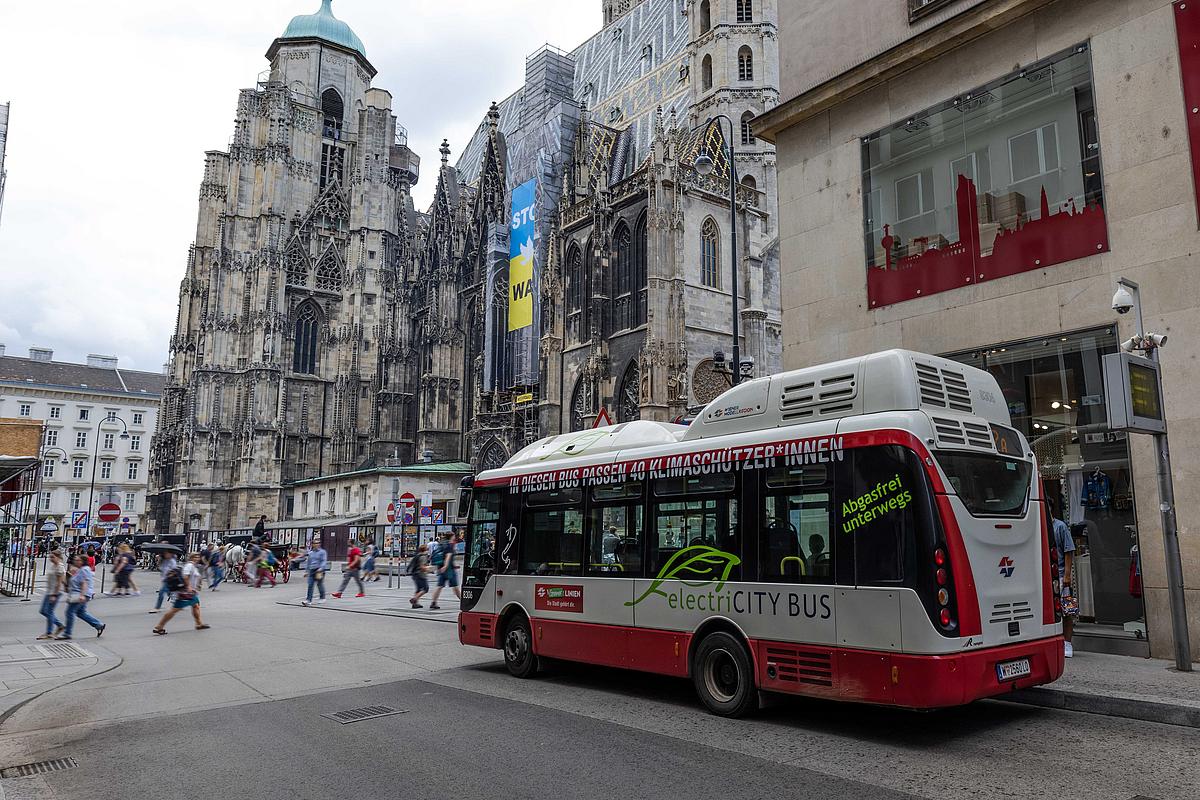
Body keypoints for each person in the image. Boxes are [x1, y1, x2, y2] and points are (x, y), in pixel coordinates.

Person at [153, 552, 209, 634]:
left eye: (198, 557)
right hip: (186, 592)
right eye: (195, 557)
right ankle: (159, 626)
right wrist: (189, 587)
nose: (197, 558)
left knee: (195, 605)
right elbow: (185, 576)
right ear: (191, 558)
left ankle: (199, 624)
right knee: (174, 609)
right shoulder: (189, 566)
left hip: (191, 592)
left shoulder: (193, 566)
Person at [1050, 503, 1078, 658]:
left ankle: (1068, 643)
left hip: (1061, 574)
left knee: (1068, 610)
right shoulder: (1040, 526)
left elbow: (1069, 550)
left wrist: (1067, 575)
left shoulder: (1060, 526)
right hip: (1047, 576)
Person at [60, 554, 105, 639]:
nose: (75, 561)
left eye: (77, 560)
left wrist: (82, 595)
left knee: (69, 612)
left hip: (80, 594)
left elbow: (84, 583)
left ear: (82, 561)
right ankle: (98, 625)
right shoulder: (83, 569)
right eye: (75, 560)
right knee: (81, 613)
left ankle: (67, 633)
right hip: (83, 594)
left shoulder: (84, 570)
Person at [37, 550, 67, 640]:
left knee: (49, 612)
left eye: (52, 557)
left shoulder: (60, 567)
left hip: (55, 592)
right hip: (50, 591)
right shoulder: (54, 565)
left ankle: (49, 632)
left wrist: (54, 594)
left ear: (58, 557)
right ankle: (59, 625)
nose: (50, 559)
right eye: (50, 557)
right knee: (43, 611)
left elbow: (59, 582)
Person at [429, 534, 460, 610]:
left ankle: (433, 602)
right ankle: (464, 602)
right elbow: (448, 557)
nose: (454, 537)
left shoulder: (442, 544)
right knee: (455, 587)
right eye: (453, 536)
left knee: (439, 586)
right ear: (451, 537)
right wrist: (445, 566)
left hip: (441, 568)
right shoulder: (449, 546)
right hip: (449, 570)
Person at [301, 536, 328, 606]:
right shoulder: (311, 553)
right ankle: (308, 600)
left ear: (319, 544)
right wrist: (306, 571)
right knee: (310, 585)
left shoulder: (322, 552)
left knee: (319, 584)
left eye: (318, 543)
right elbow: (308, 563)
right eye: (314, 543)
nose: (316, 544)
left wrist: (321, 568)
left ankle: (322, 597)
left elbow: (324, 561)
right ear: (312, 544)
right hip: (312, 570)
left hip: (319, 570)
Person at [408, 544, 431, 608]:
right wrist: (429, 569)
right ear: (425, 550)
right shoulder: (423, 556)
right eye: (427, 549)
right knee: (426, 589)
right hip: (420, 574)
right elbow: (422, 567)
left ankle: (415, 604)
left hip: (415, 574)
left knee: (418, 589)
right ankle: (414, 599)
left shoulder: (417, 555)